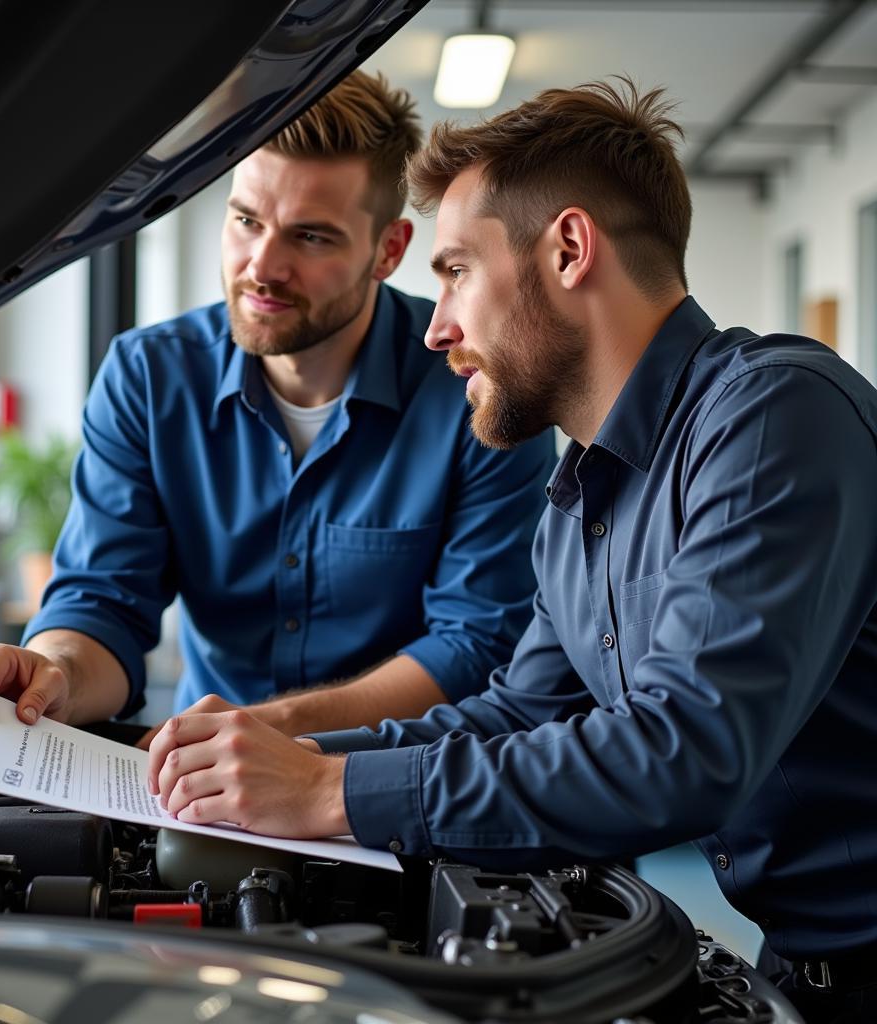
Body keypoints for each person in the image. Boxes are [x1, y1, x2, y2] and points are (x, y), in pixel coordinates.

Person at [146, 78, 877, 1022]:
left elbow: (686, 751)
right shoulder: (577, 504)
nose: (438, 326)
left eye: (455, 271)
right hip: (800, 968)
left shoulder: (775, 415)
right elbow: (513, 714)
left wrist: (332, 792)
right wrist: (273, 752)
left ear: (569, 249)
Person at [0, 71, 555, 745]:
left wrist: (276, 730)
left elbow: (476, 643)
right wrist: (54, 670)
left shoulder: (475, 389)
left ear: (387, 250)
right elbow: (103, 601)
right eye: (246, 220)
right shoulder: (148, 377)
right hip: (202, 779)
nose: (262, 267)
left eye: (311, 237)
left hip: (399, 781)